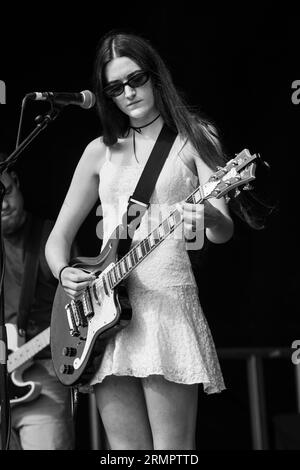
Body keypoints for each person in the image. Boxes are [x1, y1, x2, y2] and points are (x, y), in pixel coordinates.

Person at [45, 30, 235, 451]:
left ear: (155, 75)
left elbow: (223, 229)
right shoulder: (100, 150)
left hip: (167, 302)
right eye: (115, 87)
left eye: (136, 79)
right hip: (103, 316)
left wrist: (206, 216)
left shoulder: (195, 136)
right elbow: (57, 239)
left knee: (172, 453)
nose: (128, 92)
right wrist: (65, 272)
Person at [0, 152, 75, 450]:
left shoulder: (50, 238)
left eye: (5, 191)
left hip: (41, 374)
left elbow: (76, 310)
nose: (3, 204)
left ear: (16, 181)